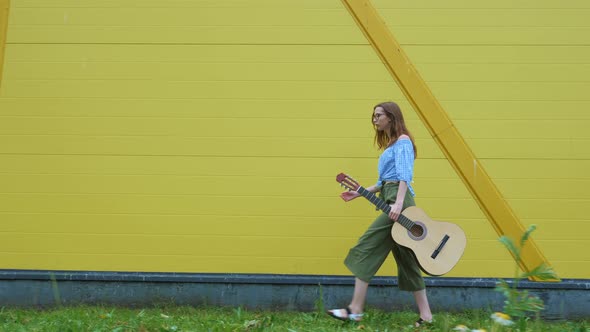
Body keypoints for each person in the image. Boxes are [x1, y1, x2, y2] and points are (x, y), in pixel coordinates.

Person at [327, 101, 433, 327]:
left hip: (399, 201)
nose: (374, 119)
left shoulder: (403, 141)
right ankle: (427, 316)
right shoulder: (392, 145)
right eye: (373, 116)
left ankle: (355, 309)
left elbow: (405, 174)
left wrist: (399, 203)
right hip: (392, 196)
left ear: (391, 117)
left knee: (366, 246)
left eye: (378, 115)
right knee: (407, 259)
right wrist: (361, 192)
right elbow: (384, 182)